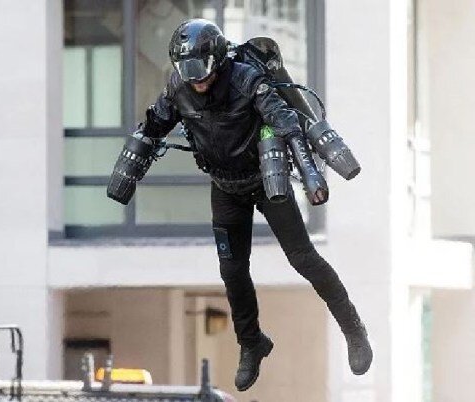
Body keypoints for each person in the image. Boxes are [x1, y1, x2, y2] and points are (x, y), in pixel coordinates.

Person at [107, 18, 372, 392]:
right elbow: (153, 126)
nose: (196, 79)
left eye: (201, 68)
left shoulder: (247, 79)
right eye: (187, 70)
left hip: (266, 180)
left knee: (304, 259)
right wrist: (128, 170)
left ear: (217, 59)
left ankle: (353, 329)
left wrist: (312, 175)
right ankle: (252, 343)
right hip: (225, 186)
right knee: (232, 270)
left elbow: (285, 122)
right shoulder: (179, 87)